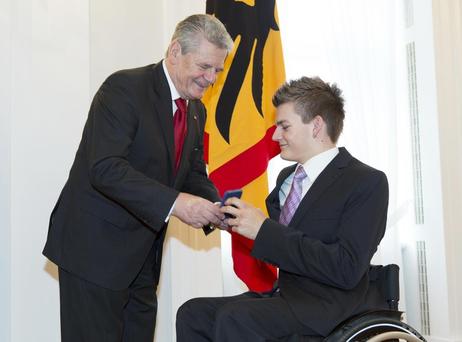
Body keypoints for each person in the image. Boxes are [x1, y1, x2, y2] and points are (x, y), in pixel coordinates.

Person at [42, 14, 233, 342]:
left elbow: (191, 171)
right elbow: (105, 168)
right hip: (94, 254)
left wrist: (216, 207)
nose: (211, 78)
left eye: (217, 70)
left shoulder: (196, 110)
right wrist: (176, 204)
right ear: (175, 51)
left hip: (143, 260)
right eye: (204, 66)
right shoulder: (124, 88)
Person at [176, 76, 390, 341]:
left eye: (284, 126)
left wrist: (263, 230)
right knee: (193, 313)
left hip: (331, 306)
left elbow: (346, 268)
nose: (275, 135)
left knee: (236, 319)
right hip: (286, 296)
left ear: (317, 126)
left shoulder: (366, 182)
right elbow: (281, 246)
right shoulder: (286, 179)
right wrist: (236, 224)